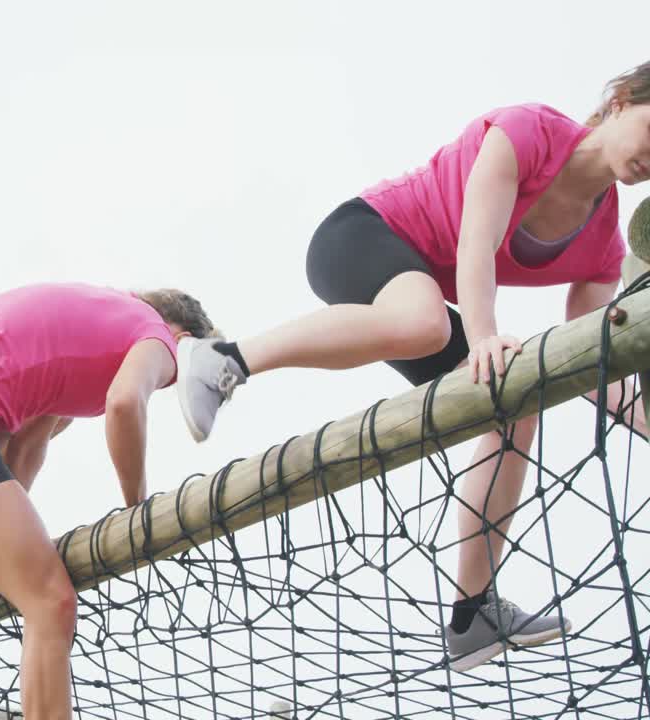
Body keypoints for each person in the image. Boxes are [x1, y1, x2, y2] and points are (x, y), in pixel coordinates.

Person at [179, 62, 650, 672]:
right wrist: (481, 336)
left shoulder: (605, 243)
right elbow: (476, 243)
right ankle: (228, 359)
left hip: (418, 294)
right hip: (359, 237)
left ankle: (472, 614)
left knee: (515, 410)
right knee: (430, 320)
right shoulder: (527, 132)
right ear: (618, 101)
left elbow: (597, 361)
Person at [0, 282, 218, 718]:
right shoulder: (161, 338)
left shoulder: (95, 324)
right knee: (50, 603)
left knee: (17, 447)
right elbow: (124, 403)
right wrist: (139, 511)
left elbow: (24, 450)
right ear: (186, 338)